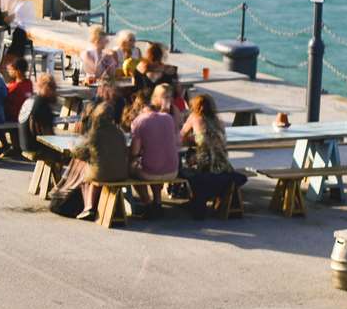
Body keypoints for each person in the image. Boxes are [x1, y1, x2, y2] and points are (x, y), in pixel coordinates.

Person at [64, 98, 130, 221]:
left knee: (85, 175)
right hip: (122, 173)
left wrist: (71, 147)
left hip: (103, 174)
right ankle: (96, 205)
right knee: (97, 170)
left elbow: (81, 153)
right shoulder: (119, 133)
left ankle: (89, 207)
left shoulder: (95, 133)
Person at [179, 93, 242, 219]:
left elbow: (180, 137)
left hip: (206, 163)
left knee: (183, 165)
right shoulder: (218, 121)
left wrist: (193, 140)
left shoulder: (194, 117)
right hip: (223, 164)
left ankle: (190, 197)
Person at [129, 83, 182, 217]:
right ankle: (157, 202)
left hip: (151, 172)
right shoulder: (168, 118)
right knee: (155, 160)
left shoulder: (139, 121)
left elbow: (135, 152)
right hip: (172, 171)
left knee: (132, 169)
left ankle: (147, 203)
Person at [17, 73, 61, 160]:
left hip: (24, 144)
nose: (55, 91)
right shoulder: (42, 104)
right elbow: (49, 135)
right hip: (35, 147)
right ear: (46, 87)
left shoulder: (32, 99)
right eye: (53, 88)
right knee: (70, 156)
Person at [1, 54, 33, 121]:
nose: (8, 71)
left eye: (11, 69)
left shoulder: (14, 87)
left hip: (13, 118)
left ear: (17, 71)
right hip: (25, 117)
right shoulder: (29, 83)